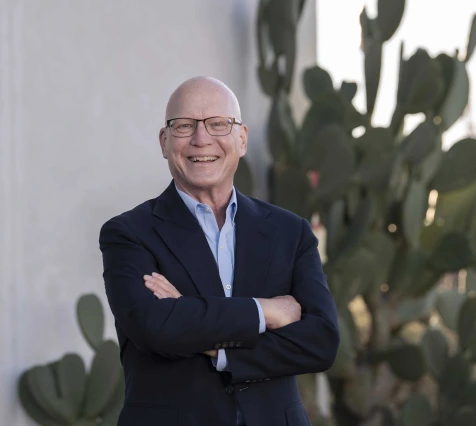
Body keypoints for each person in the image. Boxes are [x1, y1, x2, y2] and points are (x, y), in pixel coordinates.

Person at [99, 76, 339, 426]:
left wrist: (205, 336)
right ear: (164, 142)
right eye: (184, 126)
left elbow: (321, 342)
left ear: (241, 139)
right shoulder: (128, 234)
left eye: (217, 124)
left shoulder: (290, 231)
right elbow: (153, 327)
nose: (201, 138)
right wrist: (266, 311)